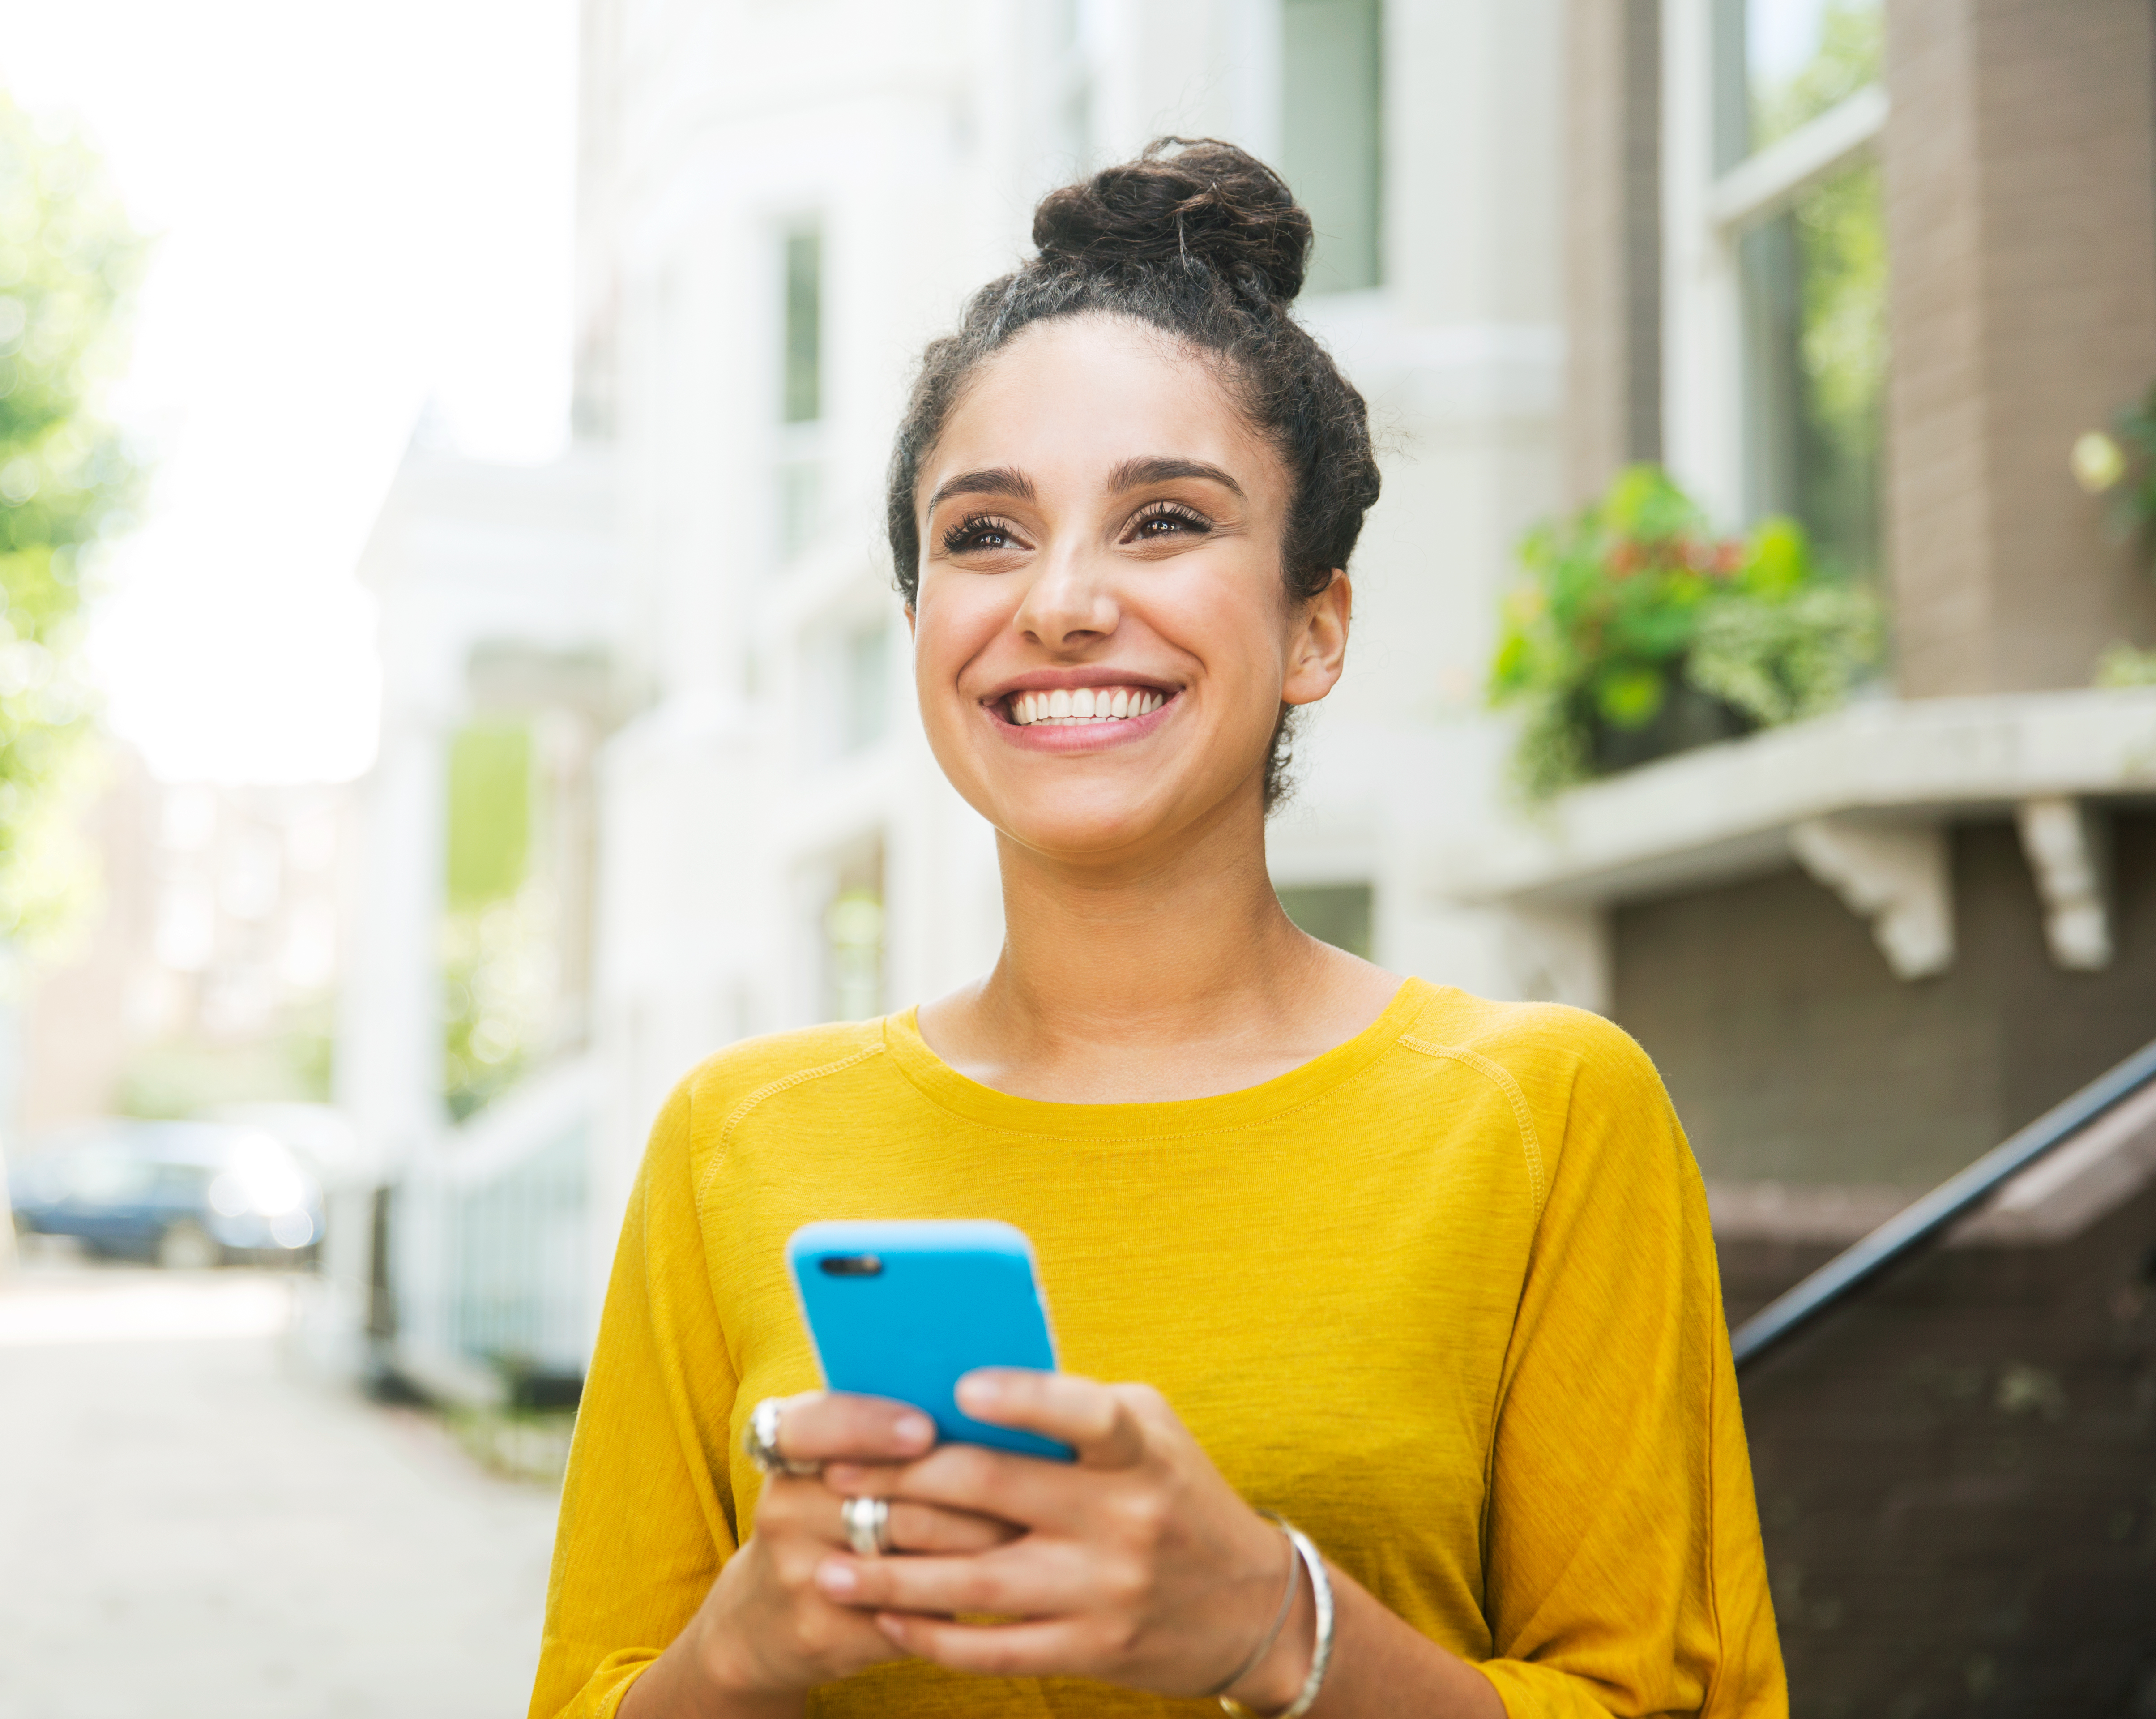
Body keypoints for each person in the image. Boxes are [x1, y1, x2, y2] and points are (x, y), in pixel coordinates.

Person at [530, 138, 1785, 1719]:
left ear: (1314, 624)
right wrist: (746, 1652)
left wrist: (1276, 1625)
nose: (1057, 600)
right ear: (923, 622)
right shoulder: (738, 1139)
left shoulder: (1540, 1115)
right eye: (983, 534)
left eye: (1166, 521)